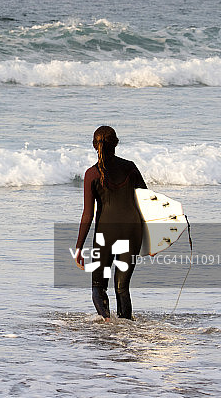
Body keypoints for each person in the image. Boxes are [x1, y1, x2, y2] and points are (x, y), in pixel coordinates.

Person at [74, 126, 147, 320]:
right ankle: (126, 329)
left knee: (98, 287)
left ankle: (107, 323)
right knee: (122, 287)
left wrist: (78, 247)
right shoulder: (131, 167)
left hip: (105, 234)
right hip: (133, 232)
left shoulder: (91, 174)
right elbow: (148, 202)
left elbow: (88, 214)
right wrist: (156, 240)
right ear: (116, 143)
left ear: (94, 146)